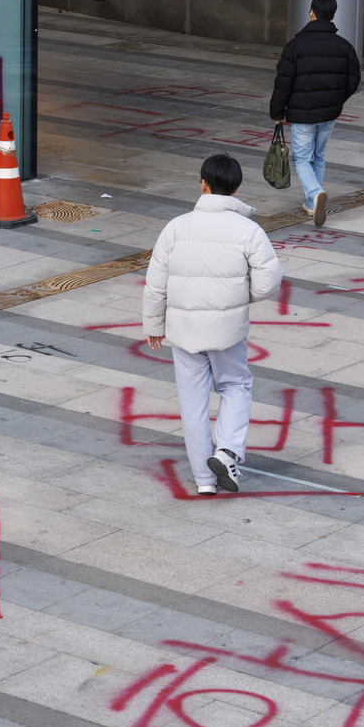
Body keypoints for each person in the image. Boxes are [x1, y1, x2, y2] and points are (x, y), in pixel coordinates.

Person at [142, 154, 283, 495]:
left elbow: (155, 281)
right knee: (235, 386)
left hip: (183, 330)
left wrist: (154, 324)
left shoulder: (176, 227)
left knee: (193, 403)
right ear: (236, 188)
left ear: (202, 184)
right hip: (227, 329)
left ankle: (204, 481)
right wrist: (239, 297)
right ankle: (227, 451)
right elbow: (269, 280)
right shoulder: (248, 230)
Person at [269, 0, 361, 228]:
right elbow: (354, 81)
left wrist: (277, 113)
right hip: (328, 114)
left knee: (301, 158)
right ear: (332, 15)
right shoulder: (345, 47)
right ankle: (312, 203)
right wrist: (336, 100)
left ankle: (315, 193)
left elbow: (283, 83)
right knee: (318, 157)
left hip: (302, 115)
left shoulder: (295, 46)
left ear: (311, 13)